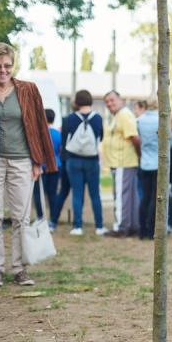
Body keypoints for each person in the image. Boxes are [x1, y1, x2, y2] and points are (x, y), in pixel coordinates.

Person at [0, 43, 57, 287]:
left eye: (7, 65)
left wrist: (40, 161)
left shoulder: (27, 89)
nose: (3, 70)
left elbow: (38, 125)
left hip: (23, 160)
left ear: (13, 66)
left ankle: (19, 268)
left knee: (21, 217)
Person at [63, 90, 105, 235]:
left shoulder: (69, 118)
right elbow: (101, 137)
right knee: (95, 194)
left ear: (76, 102)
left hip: (73, 160)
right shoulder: (98, 118)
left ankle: (77, 227)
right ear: (90, 101)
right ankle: (99, 226)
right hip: (92, 160)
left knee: (77, 194)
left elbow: (64, 140)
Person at [102, 90, 141, 237]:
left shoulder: (124, 114)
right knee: (128, 196)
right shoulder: (117, 116)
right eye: (107, 102)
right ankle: (131, 226)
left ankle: (121, 227)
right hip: (121, 162)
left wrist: (139, 155)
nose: (109, 103)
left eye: (112, 100)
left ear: (121, 100)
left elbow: (134, 138)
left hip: (123, 162)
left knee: (120, 195)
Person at [33, 108, 61, 221]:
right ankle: (53, 220)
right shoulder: (58, 134)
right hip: (55, 167)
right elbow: (61, 150)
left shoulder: (37, 134)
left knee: (38, 194)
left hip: (40, 167)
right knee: (52, 194)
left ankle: (40, 217)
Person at [137, 97, 159, 239]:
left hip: (144, 161)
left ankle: (142, 230)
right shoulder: (161, 119)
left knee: (144, 197)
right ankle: (151, 229)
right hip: (158, 162)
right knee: (155, 198)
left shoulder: (139, 120)